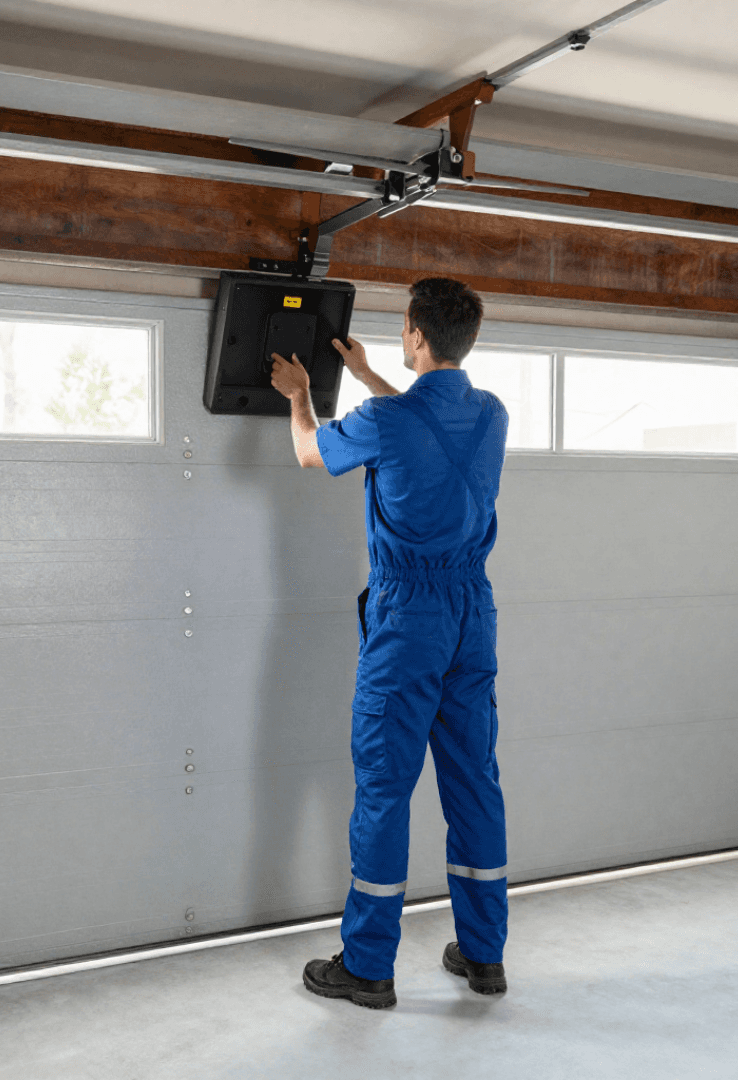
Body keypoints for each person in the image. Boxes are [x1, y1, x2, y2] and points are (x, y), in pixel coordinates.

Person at [269, 277, 509, 1010]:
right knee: (474, 781)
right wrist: (372, 372)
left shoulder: (385, 420)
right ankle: (483, 955)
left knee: (384, 789)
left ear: (414, 335)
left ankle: (369, 966)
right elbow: (419, 424)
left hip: (409, 621)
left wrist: (299, 395)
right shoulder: (492, 413)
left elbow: (312, 453)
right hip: (473, 611)